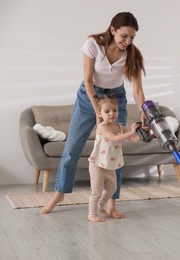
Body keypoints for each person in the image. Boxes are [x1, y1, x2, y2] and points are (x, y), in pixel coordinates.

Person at [41, 12, 146, 218]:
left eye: (132, 37)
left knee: (114, 150)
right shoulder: (93, 44)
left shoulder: (132, 55)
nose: (127, 41)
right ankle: (60, 193)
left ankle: (112, 203)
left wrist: (143, 111)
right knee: (72, 147)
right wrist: (97, 109)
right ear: (113, 29)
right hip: (89, 96)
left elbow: (138, 91)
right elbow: (88, 80)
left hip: (116, 99)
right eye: (124, 36)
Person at [88, 95, 140, 222]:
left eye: (115, 110)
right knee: (97, 191)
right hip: (97, 164)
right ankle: (91, 214)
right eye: (107, 111)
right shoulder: (102, 127)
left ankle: (101, 205)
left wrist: (144, 132)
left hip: (110, 165)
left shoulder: (120, 128)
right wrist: (132, 131)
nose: (112, 113)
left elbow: (135, 140)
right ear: (99, 113)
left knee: (112, 189)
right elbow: (115, 138)